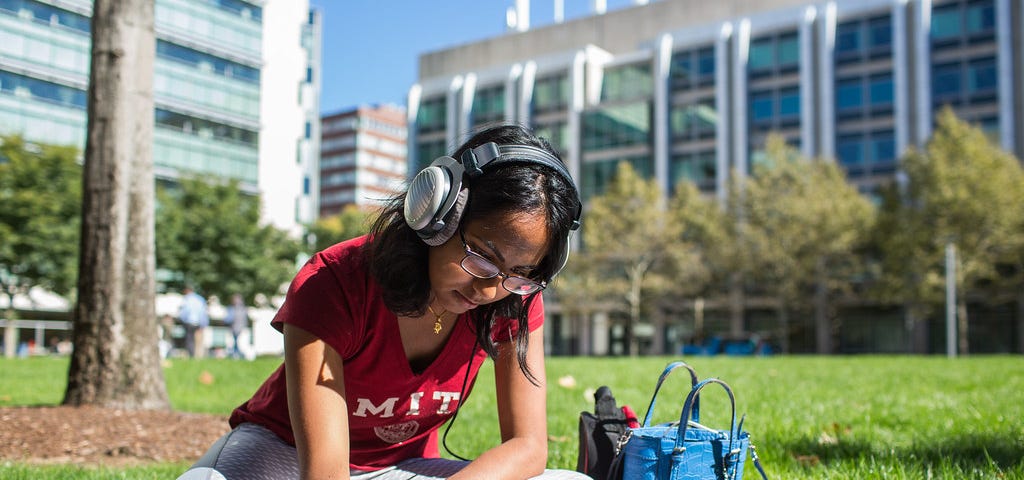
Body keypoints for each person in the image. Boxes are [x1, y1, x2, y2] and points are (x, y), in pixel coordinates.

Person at [177, 124, 588, 480]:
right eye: (482, 255)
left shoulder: (515, 298)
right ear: (438, 211)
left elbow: (528, 446)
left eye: (519, 273)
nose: (490, 289)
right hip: (283, 456)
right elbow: (324, 474)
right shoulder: (333, 280)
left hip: (401, 466)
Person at [178, 285, 209, 359]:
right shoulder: (200, 299)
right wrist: (203, 324)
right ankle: (198, 356)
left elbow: (184, 312)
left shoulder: (187, 299)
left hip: (189, 322)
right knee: (198, 340)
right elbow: (203, 313)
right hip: (198, 323)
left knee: (190, 339)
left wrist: (182, 320)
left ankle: (191, 355)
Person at [224, 293, 249, 359]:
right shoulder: (244, 309)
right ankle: (237, 355)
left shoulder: (232, 309)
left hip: (235, 329)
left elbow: (228, 319)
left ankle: (236, 355)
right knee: (236, 343)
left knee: (236, 343)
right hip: (240, 329)